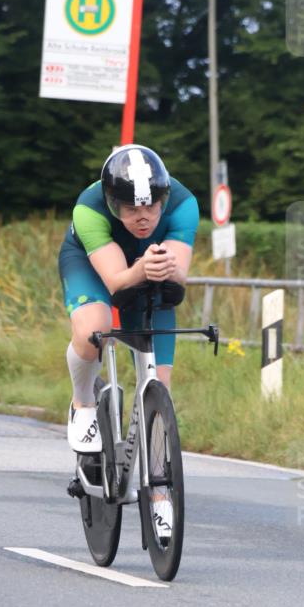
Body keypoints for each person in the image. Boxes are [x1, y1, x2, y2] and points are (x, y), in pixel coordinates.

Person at [58, 144, 199, 459]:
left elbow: (178, 278)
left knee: (160, 380)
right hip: (91, 264)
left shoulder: (184, 204)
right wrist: (142, 268)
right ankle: (82, 402)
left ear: (163, 198)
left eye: (151, 207)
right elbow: (116, 283)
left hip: (144, 265)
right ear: (112, 204)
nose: (143, 218)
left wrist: (168, 269)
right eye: (132, 209)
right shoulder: (89, 209)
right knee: (94, 329)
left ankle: (159, 475)